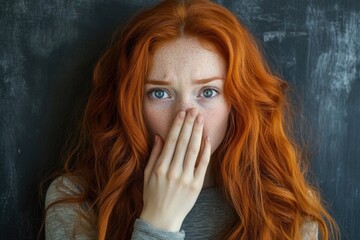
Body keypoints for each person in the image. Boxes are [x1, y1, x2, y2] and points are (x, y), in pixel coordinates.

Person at [43, 0, 339, 239]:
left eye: (208, 92)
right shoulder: (76, 201)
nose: (184, 116)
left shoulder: (285, 209)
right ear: (133, 103)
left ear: (236, 102)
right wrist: (158, 223)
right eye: (159, 93)